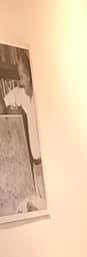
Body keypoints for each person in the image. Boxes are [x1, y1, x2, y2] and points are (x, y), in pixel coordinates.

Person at [2, 51, 45, 209]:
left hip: (47, 159)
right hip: (34, 162)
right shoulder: (18, 93)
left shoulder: (41, 94)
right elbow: (3, 104)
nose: (21, 79)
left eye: (24, 74)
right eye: (19, 75)